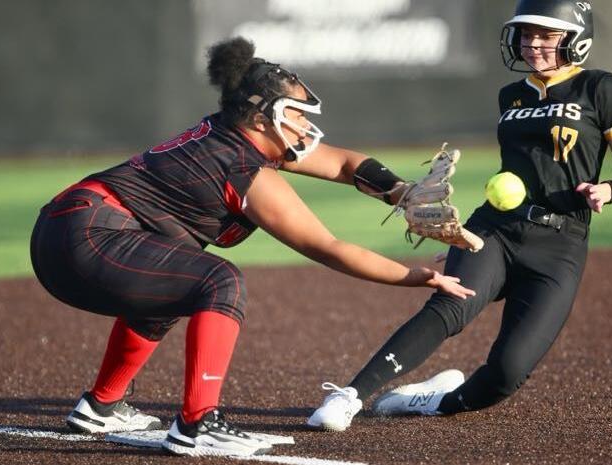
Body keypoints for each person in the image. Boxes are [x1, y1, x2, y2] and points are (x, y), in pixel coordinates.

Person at [29, 36, 474, 457]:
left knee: (173, 287)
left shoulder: (235, 132)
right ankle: (197, 424)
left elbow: (343, 163)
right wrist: (416, 276)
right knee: (220, 281)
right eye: (297, 113)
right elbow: (328, 247)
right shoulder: (246, 168)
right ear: (262, 119)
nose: (307, 123)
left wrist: (400, 191)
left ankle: (101, 406)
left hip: (68, 230)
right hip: (88, 237)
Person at [307, 0, 612, 432]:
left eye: (545, 35)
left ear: (575, 39)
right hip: (496, 230)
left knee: (508, 373)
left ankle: (431, 402)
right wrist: (462, 234)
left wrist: (611, 190)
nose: (532, 44)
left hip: (560, 245)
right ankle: (348, 397)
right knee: (449, 307)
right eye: (526, 34)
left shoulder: (598, 87)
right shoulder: (512, 95)